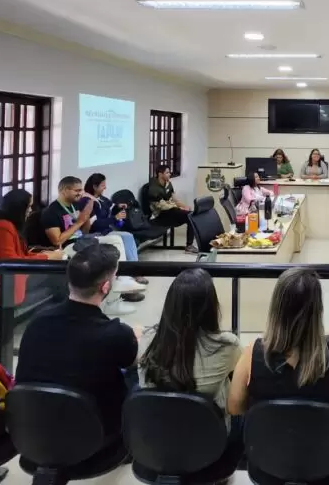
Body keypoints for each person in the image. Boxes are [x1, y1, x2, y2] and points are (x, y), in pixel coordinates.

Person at [228, 268, 329, 485]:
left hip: (269, 464)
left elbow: (235, 407)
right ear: (317, 309)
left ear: (276, 307)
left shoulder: (252, 352)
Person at [15, 244, 141, 445]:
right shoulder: (116, 333)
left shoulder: (37, 322)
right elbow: (135, 360)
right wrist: (134, 339)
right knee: (138, 374)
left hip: (34, 433)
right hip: (95, 438)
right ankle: (133, 442)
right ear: (105, 287)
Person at [139, 269, 242, 438]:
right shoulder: (227, 345)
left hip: (158, 439)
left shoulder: (147, 340)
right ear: (211, 307)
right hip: (208, 440)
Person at [42, 176, 145, 314]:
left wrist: (86, 218)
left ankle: (122, 280)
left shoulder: (74, 206)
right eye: (77, 190)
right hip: (67, 247)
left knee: (116, 240)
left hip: (83, 240)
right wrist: (80, 221)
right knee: (111, 244)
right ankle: (112, 301)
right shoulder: (51, 211)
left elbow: (84, 231)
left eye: (81, 190)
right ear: (64, 190)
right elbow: (57, 240)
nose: (81, 193)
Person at [0, 189, 64, 309]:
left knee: (56, 280)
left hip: (8, 278)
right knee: (59, 274)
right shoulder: (2, 227)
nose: (30, 210)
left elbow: (19, 254)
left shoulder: (8, 224)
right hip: (0, 283)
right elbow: (13, 261)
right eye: (28, 207)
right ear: (18, 208)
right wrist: (48, 257)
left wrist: (46, 255)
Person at [79, 173, 147, 286]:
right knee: (121, 238)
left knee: (128, 236)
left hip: (106, 231)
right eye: (102, 185)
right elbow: (94, 225)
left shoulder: (101, 199)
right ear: (94, 187)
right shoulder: (87, 201)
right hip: (95, 234)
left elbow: (111, 206)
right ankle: (125, 275)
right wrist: (115, 218)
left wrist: (119, 206)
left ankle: (133, 269)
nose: (105, 187)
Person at [147, 164, 198, 254]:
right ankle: (189, 246)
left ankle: (189, 245)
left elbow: (174, 199)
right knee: (189, 216)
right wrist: (177, 207)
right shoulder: (153, 188)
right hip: (162, 214)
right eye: (167, 173)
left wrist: (184, 206)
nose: (169, 174)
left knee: (191, 216)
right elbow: (162, 206)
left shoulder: (168, 184)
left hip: (171, 211)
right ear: (160, 174)